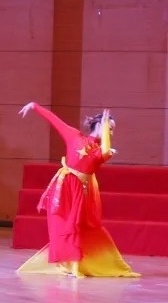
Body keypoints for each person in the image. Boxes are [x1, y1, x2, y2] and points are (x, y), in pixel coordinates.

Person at [16, 102, 139, 278]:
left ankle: (76, 266)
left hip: (80, 192)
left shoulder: (102, 151)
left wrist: (105, 132)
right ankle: (66, 264)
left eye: (112, 130)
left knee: (76, 227)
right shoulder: (74, 136)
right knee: (60, 226)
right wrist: (35, 106)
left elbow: (105, 151)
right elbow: (55, 120)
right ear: (99, 125)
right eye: (109, 129)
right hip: (63, 188)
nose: (111, 133)